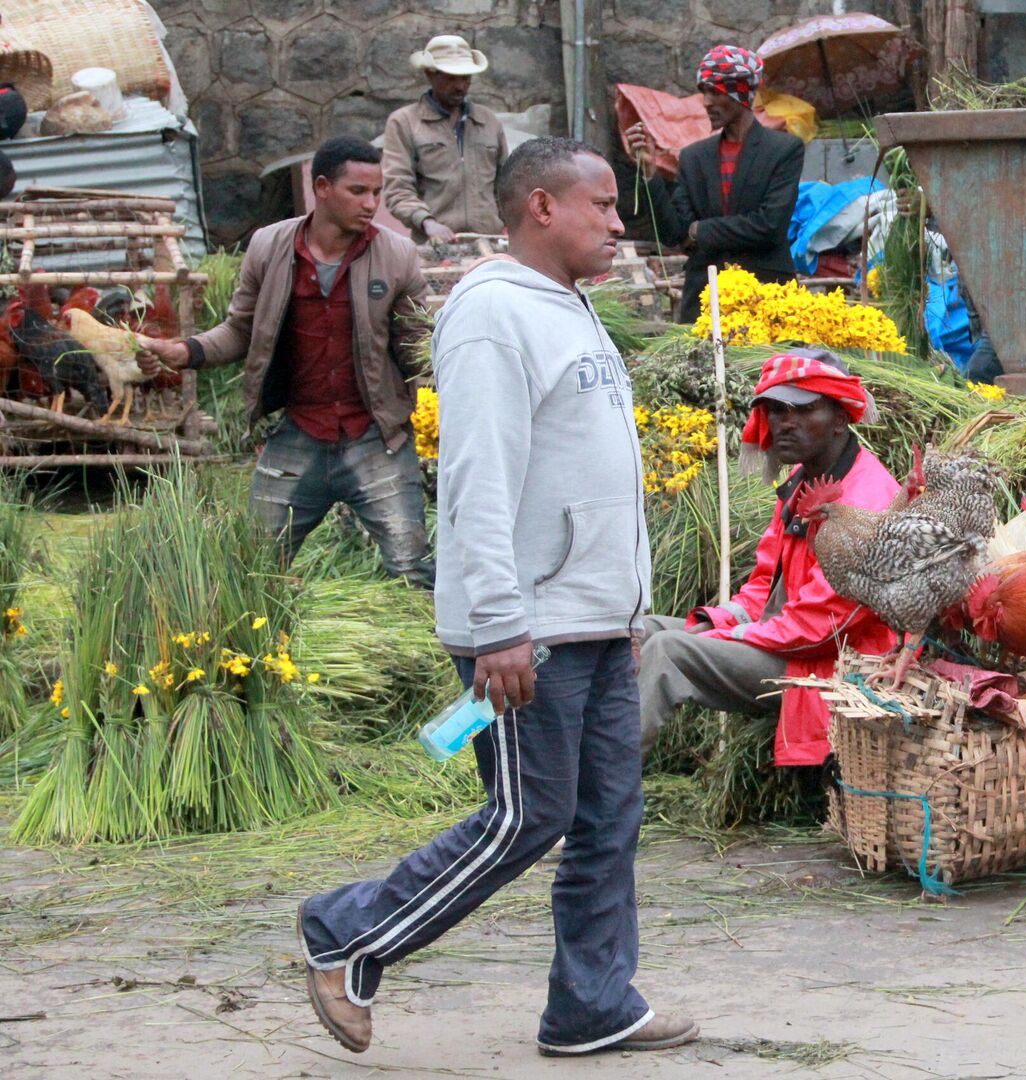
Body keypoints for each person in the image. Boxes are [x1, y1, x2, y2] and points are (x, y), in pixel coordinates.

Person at [295, 137, 699, 1058]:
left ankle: (593, 1004)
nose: (618, 219)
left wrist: (630, 614)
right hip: (530, 631)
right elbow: (477, 480)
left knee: (607, 819)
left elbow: (588, 471)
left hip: (592, 621)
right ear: (542, 208)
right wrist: (498, 625)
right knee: (529, 815)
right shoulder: (491, 315)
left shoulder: (569, 308)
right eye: (601, 202)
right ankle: (349, 933)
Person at [141, 136, 434, 587]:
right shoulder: (269, 248)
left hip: (377, 437)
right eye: (358, 191)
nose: (372, 204)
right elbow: (240, 329)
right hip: (299, 434)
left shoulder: (397, 255)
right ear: (321, 187)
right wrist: (185, 352)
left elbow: (418, 348)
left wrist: (439, 397)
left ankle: (428, 654)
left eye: (377, 192)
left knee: (413, 569)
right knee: (253, 571)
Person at [634, 347, 899, 766]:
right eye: (774, 410)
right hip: (787, 638)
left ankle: (603, 799)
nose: (783, 424)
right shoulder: (801, 481)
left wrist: (721, 639)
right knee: (641, 631)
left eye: (802, 410)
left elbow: (820, 627)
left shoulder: (867, 501)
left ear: (841, 418)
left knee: (668, 651)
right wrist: (716, 623)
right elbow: (765, 585)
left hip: (834, 660)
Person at [624, 45, 805, 324]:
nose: (706, 102)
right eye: (704, 92)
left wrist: (700, 230)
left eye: (716, 92)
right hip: (704, 303)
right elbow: (674, 233)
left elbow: (769, 225)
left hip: (767, 300)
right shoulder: (694, 156)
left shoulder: (783, 149)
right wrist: (650, 174)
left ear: (741, 93)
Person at [382, 34, 507, 245]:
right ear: (430, 75)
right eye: (451, 77)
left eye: (466, 77)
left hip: (490, 244)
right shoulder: (404, 123)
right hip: (434, 246)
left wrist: (507, 223)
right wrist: (427, 222)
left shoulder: (489, 122)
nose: (460, 85)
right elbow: (398, 188)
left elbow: (507, 185)